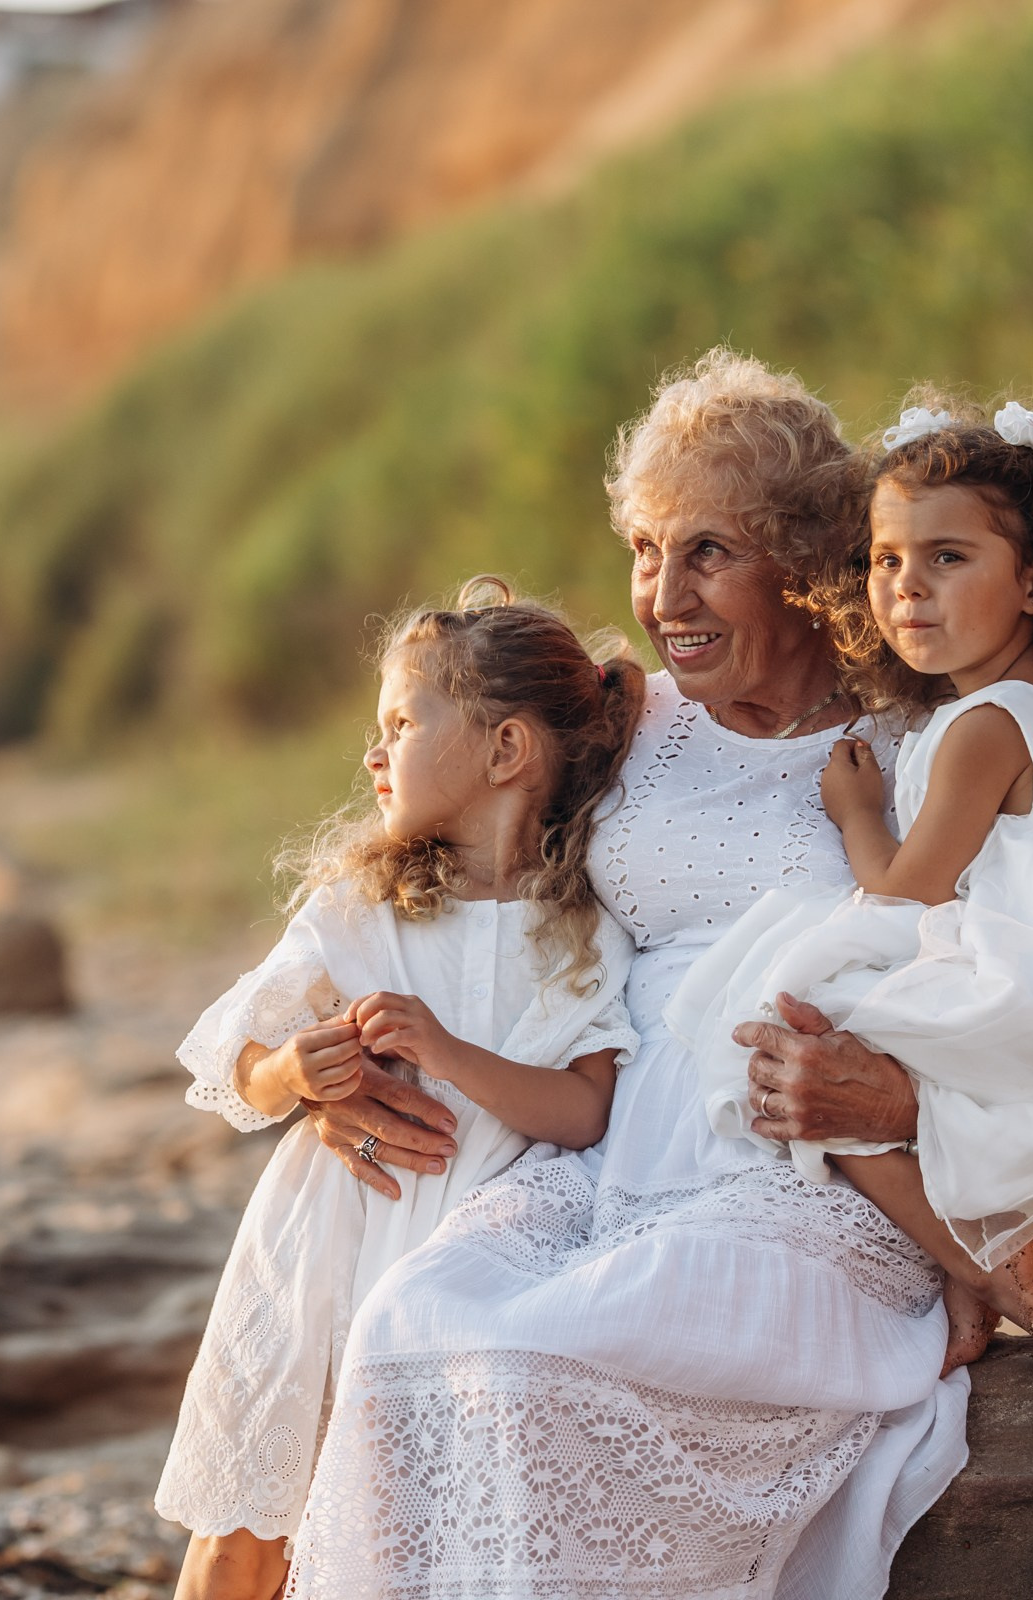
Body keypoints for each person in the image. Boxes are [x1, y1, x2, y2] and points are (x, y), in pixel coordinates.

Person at [285, 351, 967, 1600]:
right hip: (607, 1150)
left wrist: (903, 1110)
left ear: (806, 557)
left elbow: (1011, 981)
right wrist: (311, 1054)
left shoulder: (921, 736)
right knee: (409, 1325)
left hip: (802, 1161)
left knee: (553, 1351)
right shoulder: (624, 717)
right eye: (645, 551)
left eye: (707, 551)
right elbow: (442, 827)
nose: (663, 595)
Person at [668, 395, 1033, 1377]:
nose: (907, 587)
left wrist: (856, 813)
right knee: (813, 1021)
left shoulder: (985, 729)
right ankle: (973, 1279)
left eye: (947, 558)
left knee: (791, 1037)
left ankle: (1004, 1278)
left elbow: (906, 892)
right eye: (886, 560)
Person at [155, 580, 648, 1600]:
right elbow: (236, 1048)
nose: (374, 754)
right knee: (252, 1522)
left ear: (507, 751)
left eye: (401, 723)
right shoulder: (363, 906)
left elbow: (586, 1106)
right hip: (327, 1244)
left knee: (393, 1530)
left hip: (464, 1255)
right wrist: (297, 1072)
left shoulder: (583, 926)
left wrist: (452, 1052)